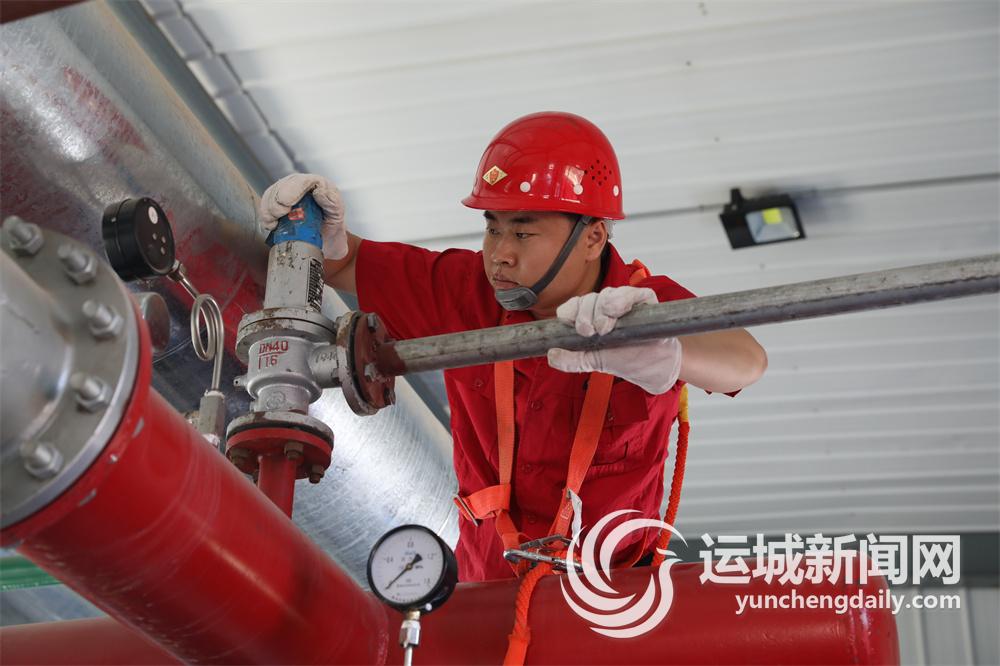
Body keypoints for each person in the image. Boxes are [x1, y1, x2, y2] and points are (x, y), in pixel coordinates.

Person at [259, 111, 767, 582]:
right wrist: (323, 235)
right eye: (492, 228)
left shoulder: (643, 306)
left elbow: (747, 361)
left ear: (593, 238)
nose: (499, 254)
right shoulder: (465, 291)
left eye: (523, 233)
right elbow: (346, 263)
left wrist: (668, 352)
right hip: (487, 593)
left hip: (611, 594)